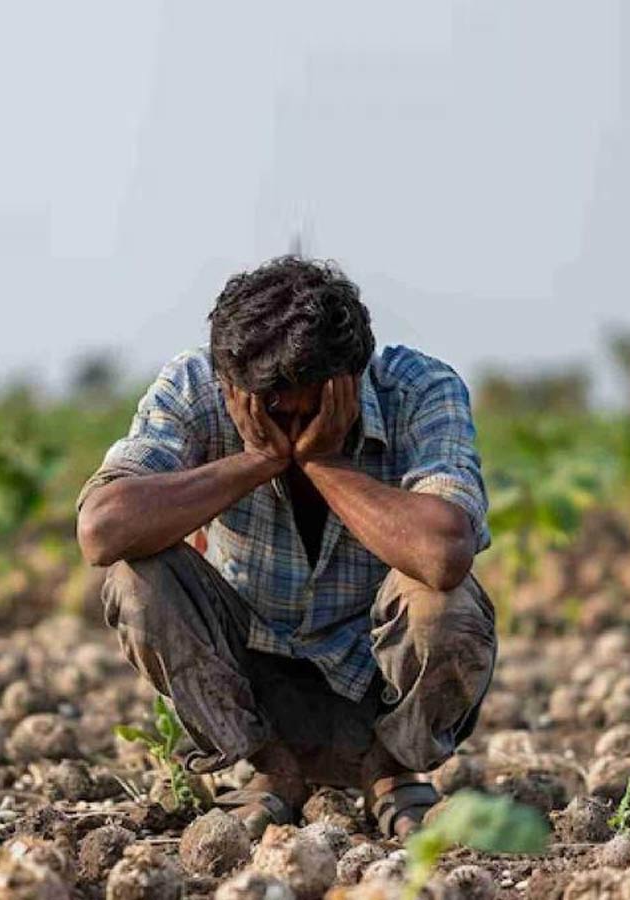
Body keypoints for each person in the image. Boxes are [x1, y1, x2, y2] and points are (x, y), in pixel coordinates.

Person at [76, 256, 497, 839]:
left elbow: (445, 551)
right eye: (275, 411)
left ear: (353, 379)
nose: (294, 426)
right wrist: (257, 460)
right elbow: (103, 529)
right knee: (136, 579)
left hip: (375, 686)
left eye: (315, 411)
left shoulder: (420, 389)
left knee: (445, 600)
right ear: (231, 385)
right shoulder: (195, 387)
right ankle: (270, 768)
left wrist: (325, 462)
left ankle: (393, 771)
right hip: (254, 682)